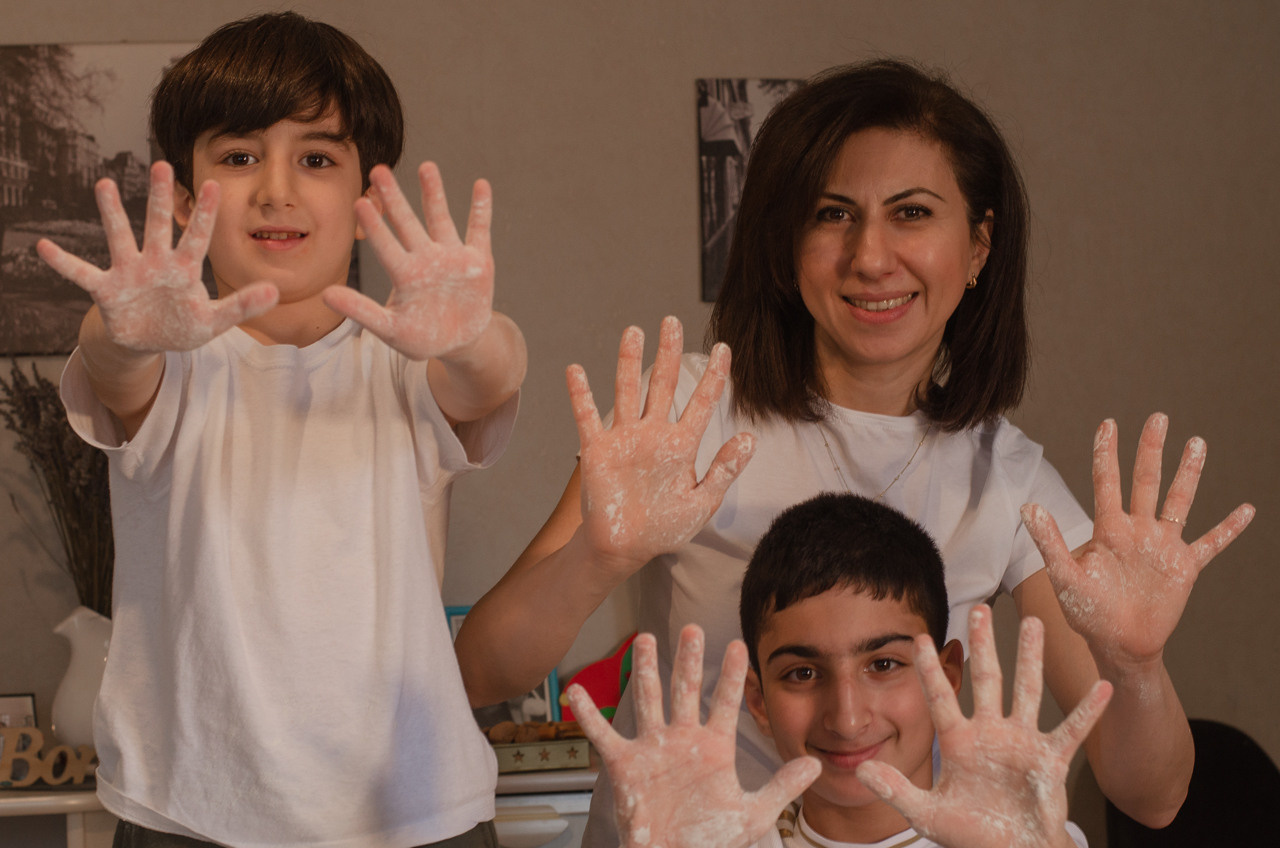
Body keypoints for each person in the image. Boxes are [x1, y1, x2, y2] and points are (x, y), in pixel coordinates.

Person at [452, 58, 1254, 846]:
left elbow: (1152, 797)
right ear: (786, 245)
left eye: (911, 213)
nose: (870, 257)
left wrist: (1137, 662)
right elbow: (481, 672)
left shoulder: (1005, 478)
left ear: (977, 248)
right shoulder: (691, 416)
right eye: (834, 214)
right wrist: (596, 553)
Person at [38, 12, 525, 848]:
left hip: (415, 813)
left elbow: (493, 375)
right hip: (188, 811)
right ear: (187, 196)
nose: (276, 189)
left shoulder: (403, 363)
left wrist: (470, 335)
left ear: (367, 190)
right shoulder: (171, 364)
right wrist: (121, 331)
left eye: (316, 158)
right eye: (237, 156)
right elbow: (115, 371)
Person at [566, 492, 1111, 848]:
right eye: (802, 674)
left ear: (945, 676)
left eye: (883, 664)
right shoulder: (719, 842)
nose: (847, 718)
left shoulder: (1027, 839)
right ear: (757, 700)